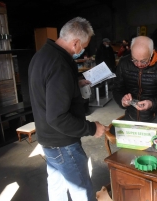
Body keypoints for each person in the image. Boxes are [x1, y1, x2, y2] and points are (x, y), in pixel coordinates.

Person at [28, 17, 109, 201]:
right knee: (81, 189)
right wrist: (91, 128)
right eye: (83, 46)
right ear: (75, 43)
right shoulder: (60, 65)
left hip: (48, 139)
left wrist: (74, 84)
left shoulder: (42, 55)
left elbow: (46, 89)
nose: (83, 51)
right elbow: (57, 117)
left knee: (56, 189)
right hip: (63, 143)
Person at [113, 36, 157, 123]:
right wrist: (122, 100)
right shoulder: (124, 63)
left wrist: (152, 103)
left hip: (155, 119)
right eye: (135, 60)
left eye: (144, 61)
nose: (139, 65)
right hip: (130, 116)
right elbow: (116, 89)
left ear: (152, 53)